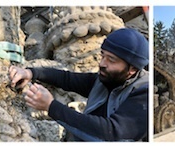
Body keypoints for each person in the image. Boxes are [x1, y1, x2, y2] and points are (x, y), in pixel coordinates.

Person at [9, 28, 149, 141]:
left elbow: (111, 132)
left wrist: (51, 106)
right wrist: (31, 73)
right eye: (102, 56)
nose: (102, 64)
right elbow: (67, 78)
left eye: (111, 60)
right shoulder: (105, 80)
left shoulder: (144, 94)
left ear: (133, 69)